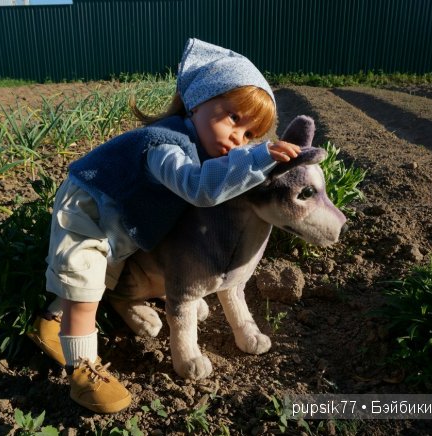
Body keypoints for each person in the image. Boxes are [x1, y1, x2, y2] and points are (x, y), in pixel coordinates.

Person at [28, 38, 301, 414]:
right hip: (87, 207)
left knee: (105, 271)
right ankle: (82, 370)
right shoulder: (166, 143)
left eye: (251, 134)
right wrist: (256, 159)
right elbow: (198, 188)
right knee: (86, 283)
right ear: (197, 102)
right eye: (233, 118)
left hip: (116, 215)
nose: (239, 137)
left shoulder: (197, 142)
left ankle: (52, 318)